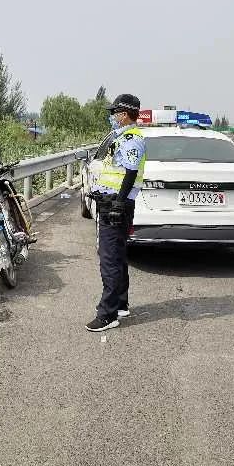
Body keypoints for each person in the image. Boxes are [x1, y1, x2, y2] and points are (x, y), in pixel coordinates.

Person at [85, 94, 147, 332]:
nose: (112, 117)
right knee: (118, 256)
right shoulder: (123, 137)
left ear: (123, 114)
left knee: (109, 258)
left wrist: (119, 203)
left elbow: (130, 172)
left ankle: (108, 315)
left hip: (116, 205)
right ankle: (120, 304)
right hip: (111, 202)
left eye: (114, 113)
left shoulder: (131, 139)